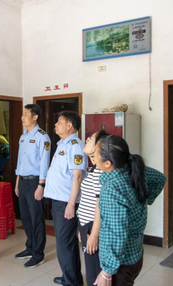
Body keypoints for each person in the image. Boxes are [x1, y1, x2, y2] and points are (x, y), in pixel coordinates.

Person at [93, 135, 166, 286]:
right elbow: (160, 178)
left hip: (121, 264)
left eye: (95, 153)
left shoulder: (112, 189)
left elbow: (117, 233)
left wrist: (107, 273)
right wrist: (144, 198)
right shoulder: (132, 170)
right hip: (135, 253)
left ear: (108, 163)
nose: (93, 156)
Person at [44, 110, 87, 286]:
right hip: (59, 200)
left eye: (59, 122)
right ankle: (71, 277)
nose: (55, 125)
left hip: (66, 202)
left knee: (65, 244)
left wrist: (71, 204)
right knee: (65, 243)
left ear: (69, 125)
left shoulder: (75, 146)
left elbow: (77, 177)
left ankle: (71, 282)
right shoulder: (62, 144)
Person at [15, 104, 51, 268]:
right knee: (26, 217)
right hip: (22, 182)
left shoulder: (42, 137)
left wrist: (41, 185)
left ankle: (38, 254)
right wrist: (17, 182)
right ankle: (30, 248)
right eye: (22, 114)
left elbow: (44, 163)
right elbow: (20, 161)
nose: (22, 117)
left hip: (35, 182)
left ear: (35, 117)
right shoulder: (23, 136)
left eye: (26, 114)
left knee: (36, 219)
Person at [77, 130, 109, 286]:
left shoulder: (101, 171)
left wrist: (93, 235)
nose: (86, 140)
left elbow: (99, 205)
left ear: (99, 146)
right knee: (90, 268)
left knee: (94, 272)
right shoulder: (95, 167)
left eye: (90, 139)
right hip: (87, 225)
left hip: (93, 226)